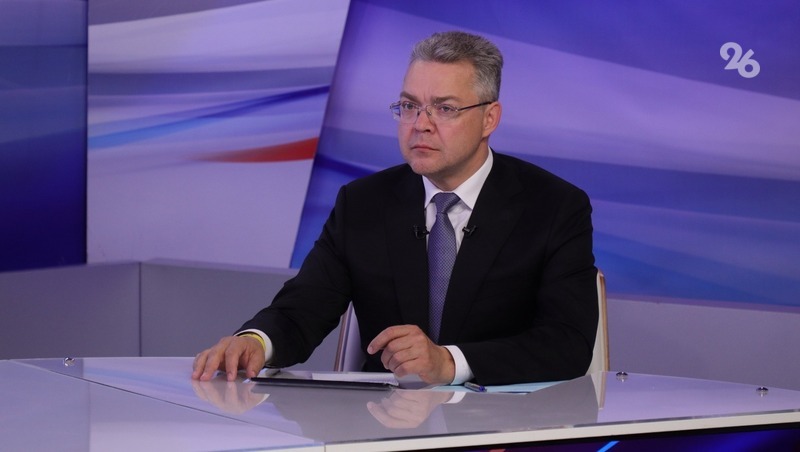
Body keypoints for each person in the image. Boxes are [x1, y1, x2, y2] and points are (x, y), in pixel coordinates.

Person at [193, 30, 597, 386]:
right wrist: (256, 342)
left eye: (445, 108)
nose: (420, 124)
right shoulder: (363, 203)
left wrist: (450, 362)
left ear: (489, 118)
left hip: (505, 423)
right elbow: (304, 308)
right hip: (384, 422)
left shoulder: (554, 207)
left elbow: (568, 343)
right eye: (409, 106)